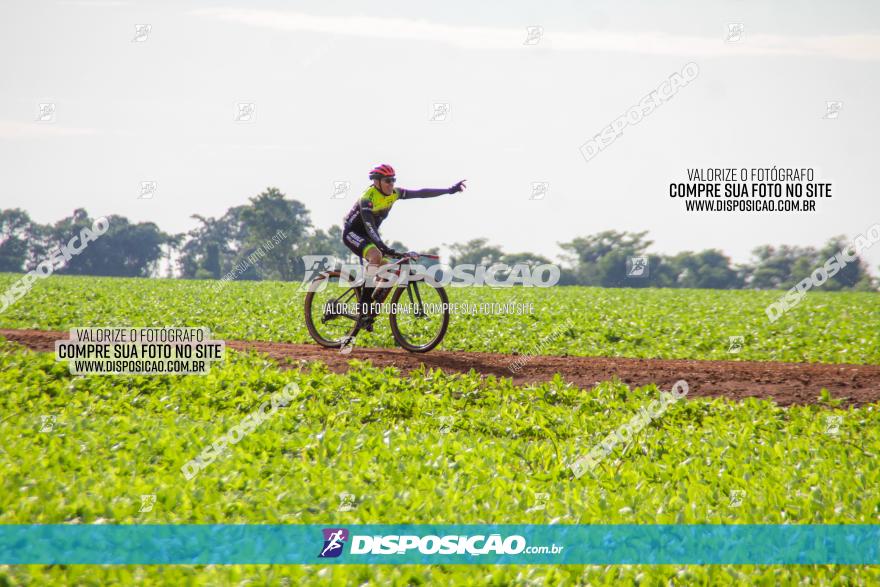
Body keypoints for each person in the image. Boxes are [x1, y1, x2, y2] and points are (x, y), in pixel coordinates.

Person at [342, 163, 466, 329]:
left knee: (390, 271)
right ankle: (364, 305)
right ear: (377, 182)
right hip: (353, 233)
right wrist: (383, 247)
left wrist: (449, 190)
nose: (391, 184)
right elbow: (369, 225)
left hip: (371, 236)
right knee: (376, 256)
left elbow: (421, 193)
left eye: (393, 180)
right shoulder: (367, 198)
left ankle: (369, 311)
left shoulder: (395, 193)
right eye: (387, 180)